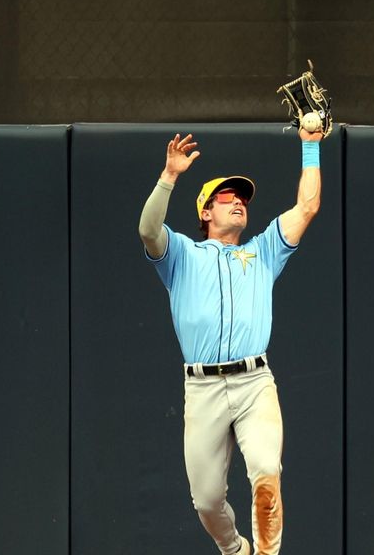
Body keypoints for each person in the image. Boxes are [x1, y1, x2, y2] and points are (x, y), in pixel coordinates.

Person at [138, 127, 322, 555]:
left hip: (254, 383)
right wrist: (169, 176)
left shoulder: (263, 252)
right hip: (202, 388)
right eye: (227, 197)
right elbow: (148, 230)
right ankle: (234, 549)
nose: (239, 200)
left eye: (242, 198)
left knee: (265, 476)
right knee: (206, 501)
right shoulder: (182, 255)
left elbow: (307, 206)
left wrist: (310, 143)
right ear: (206, 212)